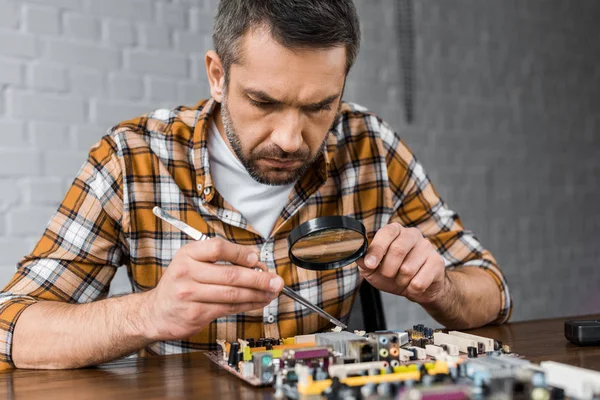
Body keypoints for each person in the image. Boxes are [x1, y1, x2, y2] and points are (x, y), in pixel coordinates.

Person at [0, 0, 511, 370]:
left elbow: (493, 291)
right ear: (217, 75)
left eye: (319, 107)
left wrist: (439, 286)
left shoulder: (368, 146)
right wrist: (148, 313)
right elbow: (10, 326)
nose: (291, 139)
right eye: (264, 103)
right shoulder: (133, 157)